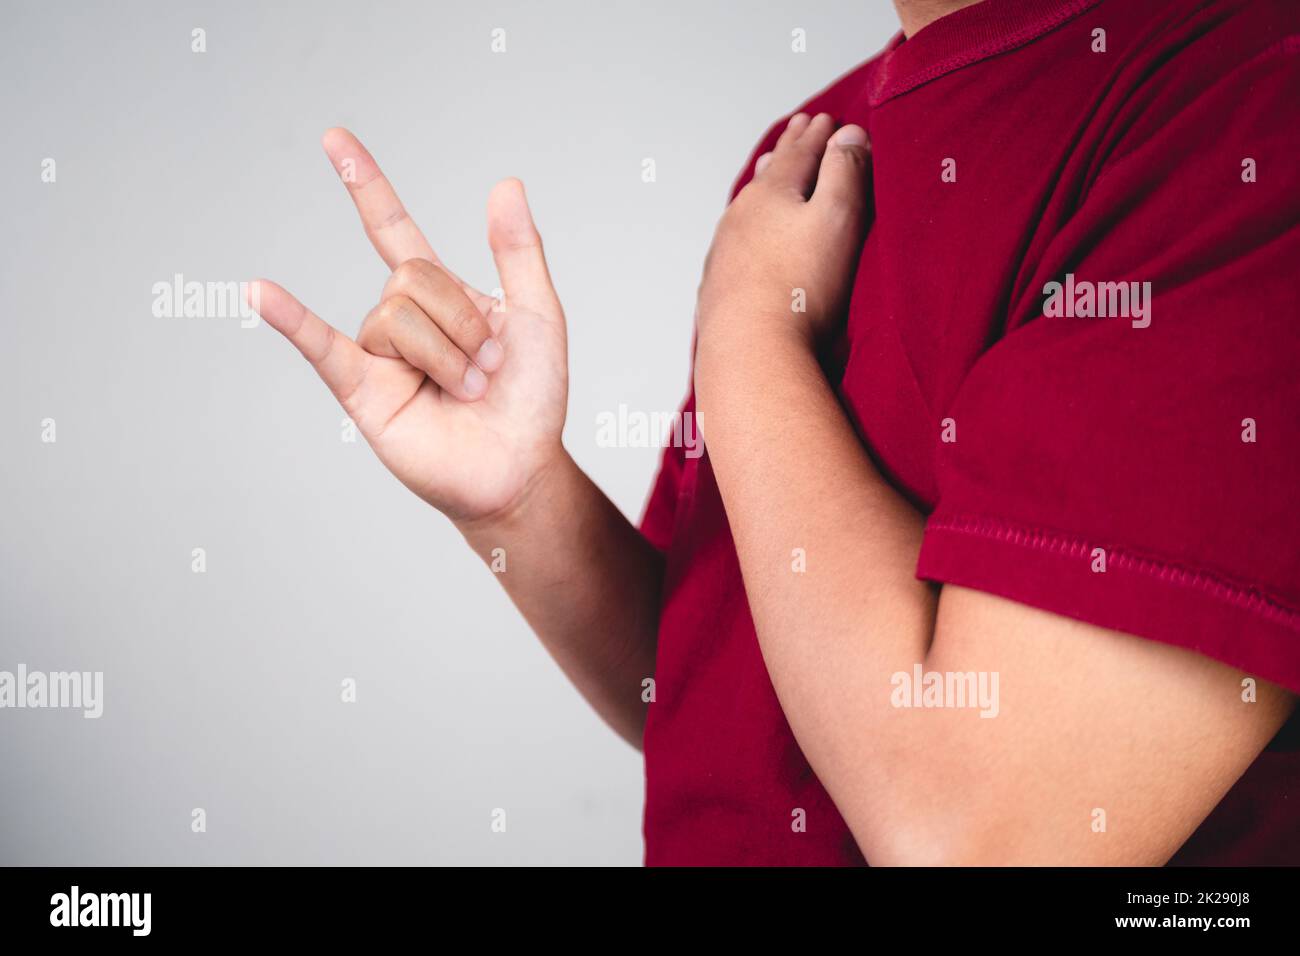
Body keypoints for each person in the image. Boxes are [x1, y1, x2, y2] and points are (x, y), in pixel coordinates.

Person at [249, 0, 1300, 865]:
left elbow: (975, 839)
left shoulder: (1249, 104)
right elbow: (714, 687)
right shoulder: (815, 148)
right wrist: (523, 500)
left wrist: (750, 329)